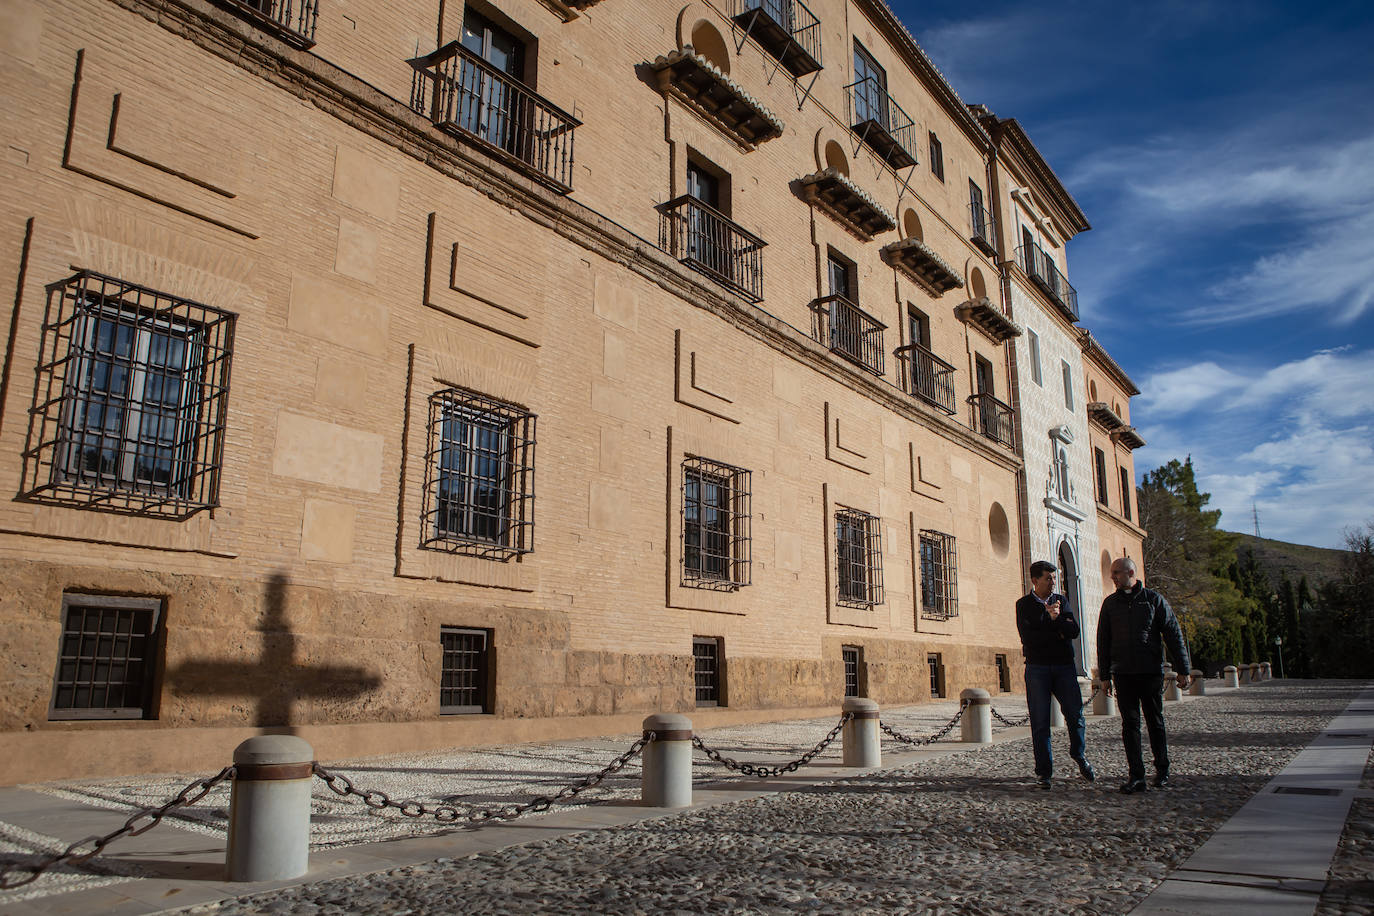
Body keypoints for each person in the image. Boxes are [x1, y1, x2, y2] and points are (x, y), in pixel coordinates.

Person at [1097, 556, 1191, 794]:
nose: (1113, 578)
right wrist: (1105, 674)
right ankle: (1136, 775)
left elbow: (1172, 634)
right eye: (1112, 573)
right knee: (1130, 725)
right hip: (1123, 673)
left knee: (1155, 722)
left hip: (1150, 671)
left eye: (1116, 573)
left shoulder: (1153, 600)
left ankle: (1162, 770)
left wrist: (1183, 669)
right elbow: (1103, 640)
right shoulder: (1110, 604)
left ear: (1130, 573)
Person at [1015, 560, 1094, 788]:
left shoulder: (1062, 601)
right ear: (1035, 580)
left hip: (1064, 667)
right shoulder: (1023, 605)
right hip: (1037, 668)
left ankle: (1079, 754)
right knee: (1040, 722)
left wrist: (1058, 619)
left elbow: (1073, 631)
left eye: (1055, 578)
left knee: (1075, 715)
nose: (1053, 583)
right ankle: (1044, 772)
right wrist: (1054, 626)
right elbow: (1029, 639)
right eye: (1049, 578)